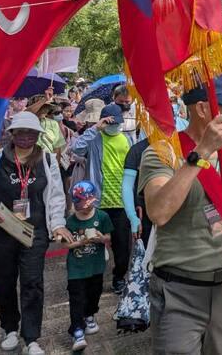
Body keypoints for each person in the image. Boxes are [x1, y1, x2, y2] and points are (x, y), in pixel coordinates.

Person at [139, 75, 222, 355]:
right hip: (178, 289)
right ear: (201, 108)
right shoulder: (162, 152)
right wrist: (202, 152)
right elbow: (159, 212)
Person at [0, 112, 72, 355]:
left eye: (31, 133)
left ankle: (31, 338)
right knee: (4, 282)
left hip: (34, 233)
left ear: (38, 135)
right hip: (0, 233)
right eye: (21, 133)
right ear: (12, 134)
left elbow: (56, 196)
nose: (26, 138)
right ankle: (9, 328)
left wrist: (58, 224)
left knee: (32, 283)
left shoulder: (46, 160)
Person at [70, 104, 133, 293]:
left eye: (116, 123)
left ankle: (119, 277)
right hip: (98, 203)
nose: (113, 126)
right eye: (109, 123)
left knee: (122, 246)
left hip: (121, 202)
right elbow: (76, 149)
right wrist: (95, 128)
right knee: (92, 244)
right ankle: (91, 280)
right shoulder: (94, 139)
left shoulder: (127, 139)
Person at [64, 180, 113, 351]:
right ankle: (77, 330)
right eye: (82, 205)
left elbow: (108, 237)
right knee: (76, 297)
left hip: (96, 266)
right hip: (76, 268)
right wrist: (81, 242)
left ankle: (89, 315)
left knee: (94, 293)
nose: (86, 208)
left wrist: (101, 239)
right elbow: (66, 244)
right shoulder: (70, 221)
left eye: (88, 204)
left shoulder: (102, 217)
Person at [121, 136, 152, 246]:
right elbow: (127, 186)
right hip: (145, 213)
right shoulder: (138, 150)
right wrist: (133, 216)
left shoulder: (179, 146)